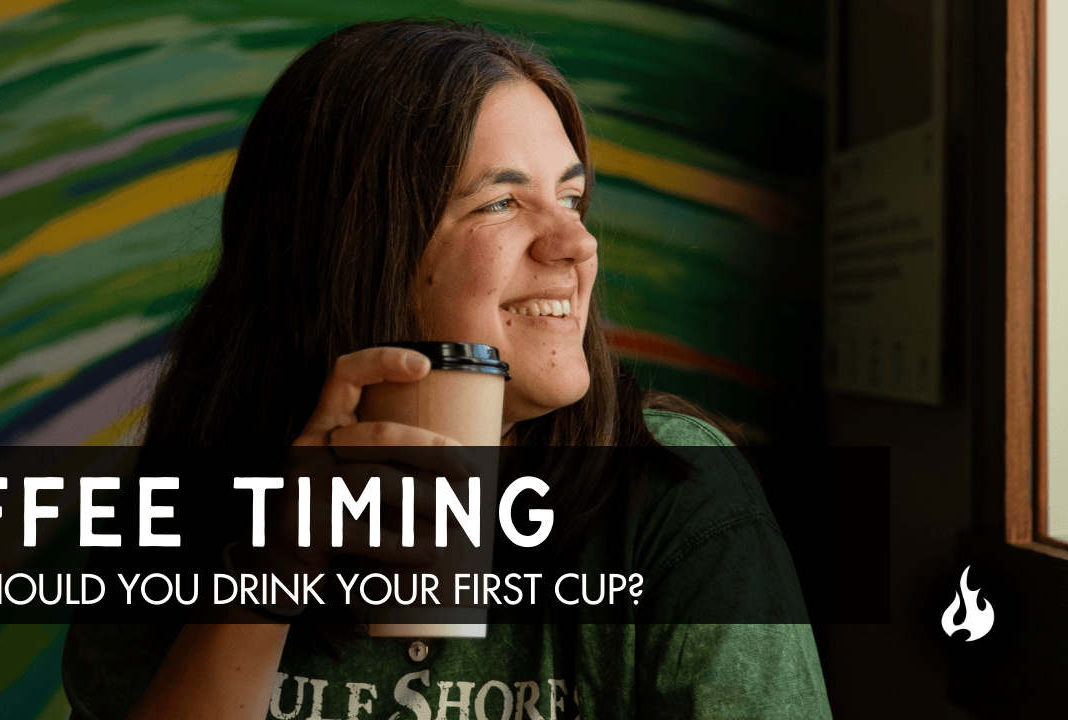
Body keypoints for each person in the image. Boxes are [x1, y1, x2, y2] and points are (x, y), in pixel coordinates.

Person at [62, 19, 832, 720]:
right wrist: (270, 568)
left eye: (572, 199)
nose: (576, 245)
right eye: (501, 204)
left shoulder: (672, 491)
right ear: (358, 250)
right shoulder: (185, 500)